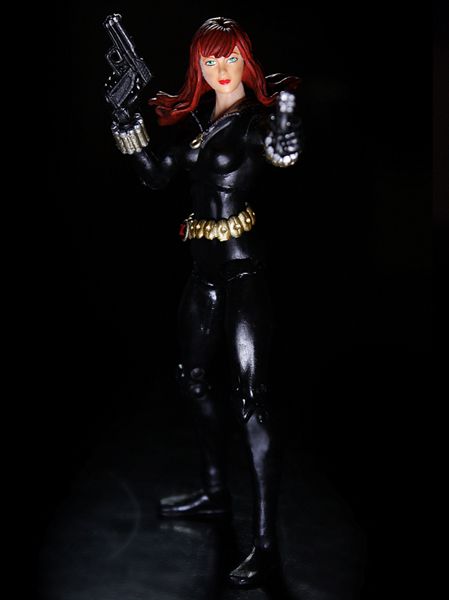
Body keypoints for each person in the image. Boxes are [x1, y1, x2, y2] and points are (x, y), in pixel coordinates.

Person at [109, 16, 302, 588]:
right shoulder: (197, 123)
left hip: (243, 275)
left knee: (252, 400)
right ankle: (216, 493)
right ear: (198, 64)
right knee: (192, 379)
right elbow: (155, 176)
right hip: (203, 275)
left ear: (247, 61)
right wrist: (125, 122)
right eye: (210, 59)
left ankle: (265, 544)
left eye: (231, 57)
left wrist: (286, 141)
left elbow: (278, 149)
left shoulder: (254, 124)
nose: (221, 69)